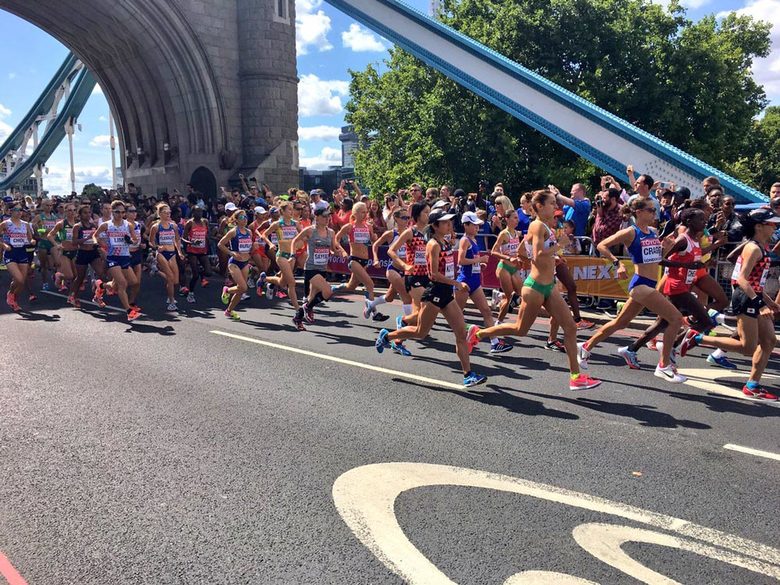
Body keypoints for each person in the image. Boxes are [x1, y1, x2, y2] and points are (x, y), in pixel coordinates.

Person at [470, 190, 601, 391]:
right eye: (551, 204)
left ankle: (576, 376)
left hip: (549, 286)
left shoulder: (544, 227)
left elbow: (524, 250)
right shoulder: (537, 225)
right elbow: (539, 254)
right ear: (539, 206)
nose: (555, 207)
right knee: (520, 330)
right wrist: (559, 246)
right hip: (536, 287)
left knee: (571, 327)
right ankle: (478, 335)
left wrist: (543, 259)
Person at [376, 210, 488, 388]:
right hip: (434, 292)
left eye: (450, 222)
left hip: (446, 294)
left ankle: (468, 374)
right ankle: (387, 336)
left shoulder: (446, 242)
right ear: (435, 226)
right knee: (421, 332)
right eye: (444, 223)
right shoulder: (433, 245)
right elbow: (433, 274)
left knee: (460, 333)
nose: (449, 225)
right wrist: (456, 284)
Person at [577, 198, 685, 383]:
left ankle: (586, 346)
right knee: (675, 319)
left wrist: (665, 250)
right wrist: (617, 263)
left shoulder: (653, 232)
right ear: (639, 212)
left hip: (649, 284)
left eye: (654, 210)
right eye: (650, 210)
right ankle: (663, 365)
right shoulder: (630, 232)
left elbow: (656, 260)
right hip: (640, 284)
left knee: (620, 323)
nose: (654, 213)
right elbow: (602, 245)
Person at [679, 209, 780, 400]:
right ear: (759, 226)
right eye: (771, 224)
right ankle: (697, 338)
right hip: (746, 298)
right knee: (748, 347)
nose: (775, 227)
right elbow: (742, 279)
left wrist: (770, 302)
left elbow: (756, 281)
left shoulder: (761, 246)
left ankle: (752, 385)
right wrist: (761, 303)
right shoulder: (753, 248)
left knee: (769, 341)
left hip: (754, 296)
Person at [616, 209, 713, 369]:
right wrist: (685, 265)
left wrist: (701, 265)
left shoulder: (695, 240)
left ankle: (631, 349)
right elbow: (659, 260)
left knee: (662, 324)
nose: (704, 222)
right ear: (689, 222)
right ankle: (673, 347)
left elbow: (691, 261)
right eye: (700, 219)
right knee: (705, 321)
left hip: (684, 286)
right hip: (675, 286)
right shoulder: (682, 240)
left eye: (704, 219)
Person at [455, 211, 512, 354]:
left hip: (475, 282)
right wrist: (479, 260)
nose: (477, 228)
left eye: (478, 225)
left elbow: (469, 262)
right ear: (465, 225)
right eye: (474, 225)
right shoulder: (465, 240)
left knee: (486, 311)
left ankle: (495, 343)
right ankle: (467, 335)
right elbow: (460, 260)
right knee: (455, 315)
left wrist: (478, 266)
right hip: (464, 282)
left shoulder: (473, 240)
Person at [291, 206, 347, 328]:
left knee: (311, 298)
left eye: (328, 216)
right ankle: (307, 308)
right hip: (311, 268)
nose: (327, 218)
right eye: (324, 216)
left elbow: (332, 248)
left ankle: (298, 318)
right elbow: (295, 241)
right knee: (327, 291)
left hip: (322, 268)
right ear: (317, 217)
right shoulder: (310, 230)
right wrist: (292, 254)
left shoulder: (331, 232)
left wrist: (338, 252)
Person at [335, 201, 389, 322]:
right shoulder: (349, 226)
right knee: (370, 284)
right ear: (355, 213)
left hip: (365, 260)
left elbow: (373, 240)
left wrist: (374, 236)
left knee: (351, 286)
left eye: (366, 212)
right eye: (362, 212)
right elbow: (336, 239)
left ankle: (332, 289)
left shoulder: (368, 226)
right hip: (354, 260)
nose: (365, 214)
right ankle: (374, 312)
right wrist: (343, 252)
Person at [372, 209, 415, 355]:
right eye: (403, 217)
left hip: (407, 270)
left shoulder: (410, 233)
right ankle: (404, 325)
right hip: (394, 270)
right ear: (396, 219)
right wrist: (376, 259)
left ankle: (370, 305)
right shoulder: (391, 234)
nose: (406, 220)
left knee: (390, 297)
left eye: (408, 217)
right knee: (407, 297)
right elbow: (375, 245)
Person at [92, 200, 142, 321]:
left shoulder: (128, 225)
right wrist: (97, 244)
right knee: (123, 284)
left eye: (122, 212)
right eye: (117, 212)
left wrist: (130, 240)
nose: (120, 214)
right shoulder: (106, 225)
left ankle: (101, 286)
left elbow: (135, 240)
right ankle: (129, 311)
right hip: (112, 257)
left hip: (124, 256)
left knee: (134, 281)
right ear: (112, 212)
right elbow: (95, 235)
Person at [388, 202, 430, 333]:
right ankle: (403, 324)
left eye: (429, 212)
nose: (428, 215)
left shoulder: (430, 232)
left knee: (418, 313)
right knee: (428, 306)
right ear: (417, 215)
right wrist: (404, 265)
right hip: (413, 276)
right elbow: (391, 250)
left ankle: (403, 329)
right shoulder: (410, 232)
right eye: (426, 212)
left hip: (427, 276)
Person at [263, 201, 302, 320]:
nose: (292, 211)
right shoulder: (277, 224)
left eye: (292, 209)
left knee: (282, 282)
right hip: (281, 256)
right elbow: (264, 234)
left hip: (292, 256)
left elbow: (304, 235)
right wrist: (270, 244)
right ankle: (298, 310)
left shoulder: (296, 224)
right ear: (283, 212)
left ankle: (264, 279)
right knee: (292, 283)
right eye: (289, 209)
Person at [218, 209, 253, 320]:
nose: (245, 219)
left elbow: (248, 248)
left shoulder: (249, 232)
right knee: (243, 287)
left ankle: (229, 311)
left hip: (245, 262)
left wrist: (253, 248)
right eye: (242, 217)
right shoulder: (233, 232)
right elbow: (220, 244)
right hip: (234, 263)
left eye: (246, 217)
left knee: (241, 289)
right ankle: (227, 290)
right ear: (236, 220)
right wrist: (230, 252)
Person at [148, 204, 185, 311]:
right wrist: (157, 247)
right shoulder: (155, 227)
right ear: (160, 214)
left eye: (169, 212)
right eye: (166, 212)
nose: (169, 214)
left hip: (172, 253)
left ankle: (156, 271)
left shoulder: (173, 226)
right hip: (161, 254)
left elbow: (177, 239)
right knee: (170, 278)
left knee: (176, 281)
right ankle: (171, 301)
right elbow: (151, 241)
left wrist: (179, 252)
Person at [490, 208, 524, 323]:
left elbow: (517, 250)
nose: (517, 220)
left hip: (514, 268)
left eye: (517, 218)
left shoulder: (516, 233)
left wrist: (520, 259)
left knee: (519, 296)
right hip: (504, 267)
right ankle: (498, 322)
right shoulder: (504, 234)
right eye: (514, 218)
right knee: (510, 297)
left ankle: (499, 296)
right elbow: (493, 252)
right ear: (507, 219)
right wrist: (508, 257)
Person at [0, 202, 36, 310]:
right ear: (10, 211)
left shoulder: (25, 224)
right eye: (17, 210)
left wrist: (33, 241)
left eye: (21, 210)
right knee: (19, 279)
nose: (20, 212)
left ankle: (14, 300)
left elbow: (30, 238)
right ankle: (10, 294)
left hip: (22, 252)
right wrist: (4, 245)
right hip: (10, 253)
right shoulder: (5, 224)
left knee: (21, 281)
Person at [69, 205, 103, 308]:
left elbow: (96, 237)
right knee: (80, 278)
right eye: (85, 213)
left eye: (89, 213)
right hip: (82, 253)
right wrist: (87, 238)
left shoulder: (93, 225)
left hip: (93, 252)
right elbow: (74, 242)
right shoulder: (77, 226)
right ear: (80, 215)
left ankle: (97, 295)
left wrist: (99, 244)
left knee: (102, 274)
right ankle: (72, 296)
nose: (87, 215)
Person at [182, 205, 212, 303]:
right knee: (195, 275)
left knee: (208, 272)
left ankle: (201, 275)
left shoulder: (205, 222)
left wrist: (208, 245)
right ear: (193, 213)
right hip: (192, 251)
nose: (200, 213)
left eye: (201, 211)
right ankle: (191, 293)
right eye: (197, 211)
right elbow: (183, 238)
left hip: (203, 251)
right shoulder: (190, 223)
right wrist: (190, 243)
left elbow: (207, 235)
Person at [46, 203, 78, 293]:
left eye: (74, 210)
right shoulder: (61, 223)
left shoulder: (78, 223)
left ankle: (72, 295)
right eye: (70, 210)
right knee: (69, 276)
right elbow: (50, 235)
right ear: (65, 211)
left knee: (76, 276)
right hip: (65, 252)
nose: (72, 212)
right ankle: (59, 276)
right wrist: (56, 245)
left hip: (76, 251)